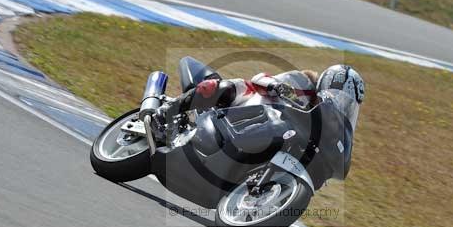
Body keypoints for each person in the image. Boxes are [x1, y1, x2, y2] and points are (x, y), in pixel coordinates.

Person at [155, 64, 364, 127]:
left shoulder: (323, 119)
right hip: (245, 105)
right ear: (326, 83)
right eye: (338, 97)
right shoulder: (303, 84)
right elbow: (261, 79)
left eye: (346, 104)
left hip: (263, 130)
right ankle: (167, 110)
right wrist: (277, 86)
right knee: (225, 86)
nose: (338, 104)